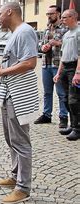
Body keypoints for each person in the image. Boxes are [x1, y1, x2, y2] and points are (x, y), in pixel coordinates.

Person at [0, 2, 39, 204]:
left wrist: (2, 72)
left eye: (0, 13)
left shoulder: (25, 31)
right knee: (11, 139)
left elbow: (30, 63)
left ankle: (23, 188)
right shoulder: (14, 34)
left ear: (10, 12)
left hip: (19, 96)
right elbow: (7, 67)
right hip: (7, 93)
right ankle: (15, 176)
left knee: (21, 142)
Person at [34, 5, 69, 128]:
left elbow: (70, 45)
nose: (49, 16)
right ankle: (46, 115)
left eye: (51, 14)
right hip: (46, 64)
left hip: (58, 64)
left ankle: (63, 117)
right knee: (47, 92)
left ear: (58, 14)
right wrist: (42, 48)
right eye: (47, 14)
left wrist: (57, 43)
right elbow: (41, 45)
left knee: (61, 93)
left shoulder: (66, 29)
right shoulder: (47, 29)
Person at [54, 9, 80, 140]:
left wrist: (78, 73)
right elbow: (63, 56)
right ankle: (72, 124)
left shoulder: (78, 32)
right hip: (65, 68)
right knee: (65, 99)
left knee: (74, 100)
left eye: (65, 17)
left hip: (75, 68)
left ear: (73, 17)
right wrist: (59, 73)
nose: (62, 19)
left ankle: (77, 128)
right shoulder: (66, 34)